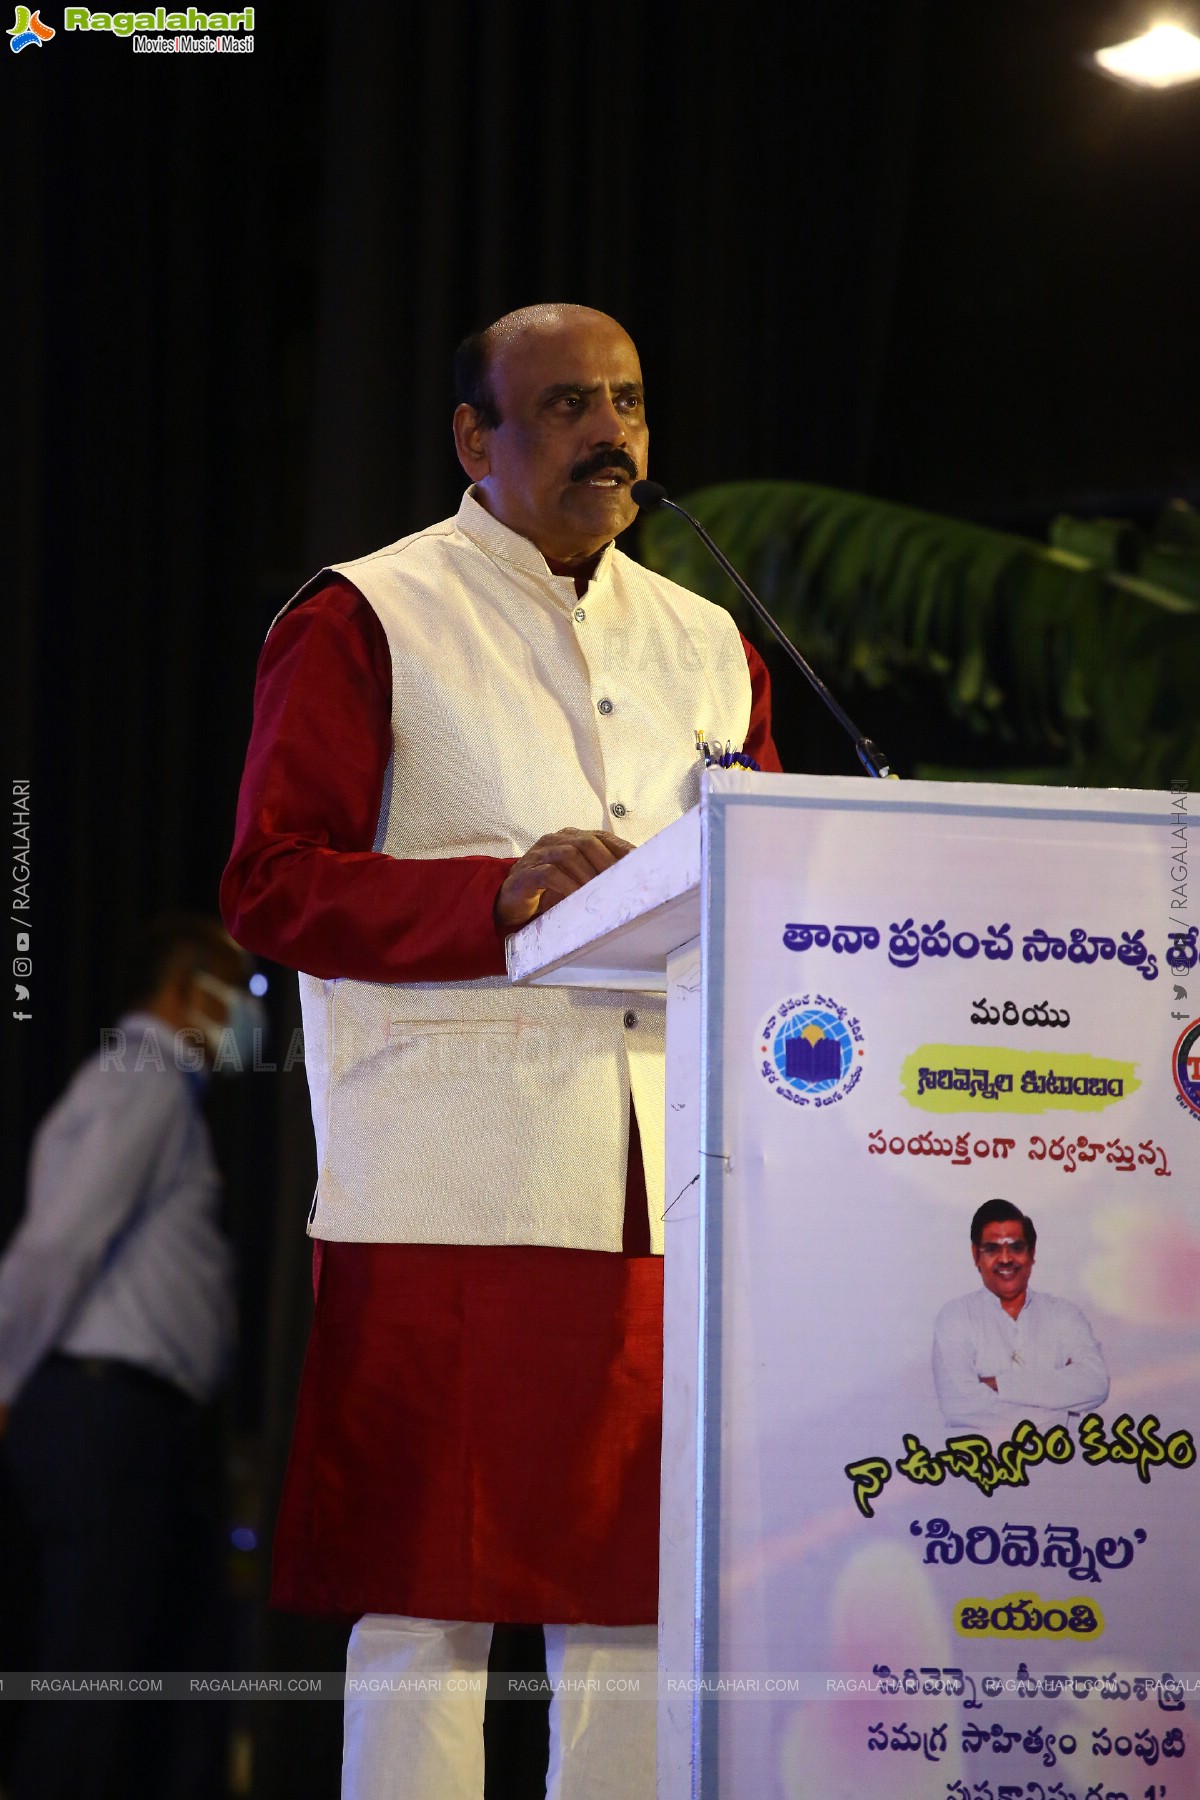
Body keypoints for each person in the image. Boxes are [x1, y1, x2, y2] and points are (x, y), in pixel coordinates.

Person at [220, 301, 781, 1800]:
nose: (612, 434)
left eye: (632, 405)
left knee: (636, 1606)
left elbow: (781, 878)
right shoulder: (369, 613)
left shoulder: (709, 636)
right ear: (478, 439)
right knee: (427, 1601)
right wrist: (497, 892)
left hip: (664, 1179)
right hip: (445, 1178)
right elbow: (271, 883)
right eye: (568, 406)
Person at [0, 913, 257, 1800]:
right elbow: (58, 1243)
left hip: (126, 1422)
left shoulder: (158, 1090)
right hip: (101, 1414)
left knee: (118, 1682)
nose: (249, 1015)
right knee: (90, 1689)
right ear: (190, 987)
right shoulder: (146, 1074)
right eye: (240, 989)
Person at [932, 1198, 1109, 1437]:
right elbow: (959, 1404)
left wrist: (999, 1385)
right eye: (993, 1249)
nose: (1006, 1259)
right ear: (976, 1255)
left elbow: (1095, 1385)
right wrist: (1060, 1412)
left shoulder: (1063, 1315)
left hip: (1059, 1465)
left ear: (1032, 1253)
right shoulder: (956, 1317)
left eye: (1016, 1247)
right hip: (978, 1467)